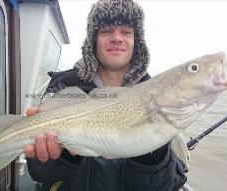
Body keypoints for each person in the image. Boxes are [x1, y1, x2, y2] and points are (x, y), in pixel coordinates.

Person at [24, 0, 187, 190]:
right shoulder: (63, 85)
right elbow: (38, 173)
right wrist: (64, 154)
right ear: (94, 40)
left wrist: (152, 154)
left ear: (137, 42)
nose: (116, 38)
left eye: (126, 32)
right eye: (106, 31)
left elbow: (168, 186)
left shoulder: (159, 98)